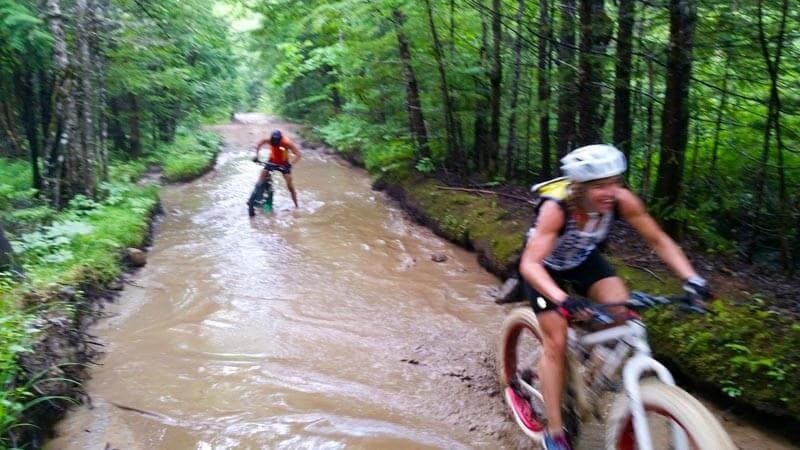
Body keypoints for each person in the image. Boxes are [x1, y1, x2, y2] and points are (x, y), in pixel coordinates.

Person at [513, 144, 712, 450]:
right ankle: (554, 433)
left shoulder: (621, 200)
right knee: (556, 341)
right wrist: (562, 299)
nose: (611, 192)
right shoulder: (557, 208)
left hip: (583, 259)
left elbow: (659, 240)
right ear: (579, 188)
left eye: (616, 182)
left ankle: (590, 369)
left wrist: (692, 278)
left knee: (621, 313)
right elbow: (529, 264)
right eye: (600, 186)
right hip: (545, 268)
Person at [247, 129, 301, 216]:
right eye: (273, 143)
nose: (274, 144)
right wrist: (257, 155)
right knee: (261, 179)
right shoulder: (268, 140)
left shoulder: (287, 143)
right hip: (272, 161)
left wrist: (291, 164)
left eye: (276, 143)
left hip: (284, 164)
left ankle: (296, 205)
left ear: (280, 140)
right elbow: (259, 144)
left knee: (290, 185)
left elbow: (298, 154)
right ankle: (252, 199)